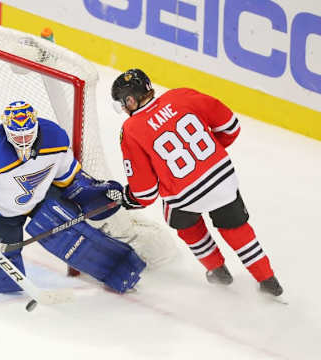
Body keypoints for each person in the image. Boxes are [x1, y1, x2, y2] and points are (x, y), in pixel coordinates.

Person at [0, 100, 146, 294]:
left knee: (76, 235)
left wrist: (97, 195)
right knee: (2, 279)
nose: (23, 140)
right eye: (17, 136)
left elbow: (68, 177)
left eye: (27, 134)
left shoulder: (55, 139)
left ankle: (120, 269)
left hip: (39, 199)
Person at [108, 68, 283, 297]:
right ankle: (268, 281)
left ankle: (217, 270)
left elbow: (146, 191)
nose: (123, 107)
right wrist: (210, 155)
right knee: (237, 229)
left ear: (130, 100)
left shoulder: (130, 130)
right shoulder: (180, 95)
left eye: (123, 102)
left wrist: (129, 199)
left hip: (184, 197)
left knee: (185, 223)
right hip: (222, 180)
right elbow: (231, 126)